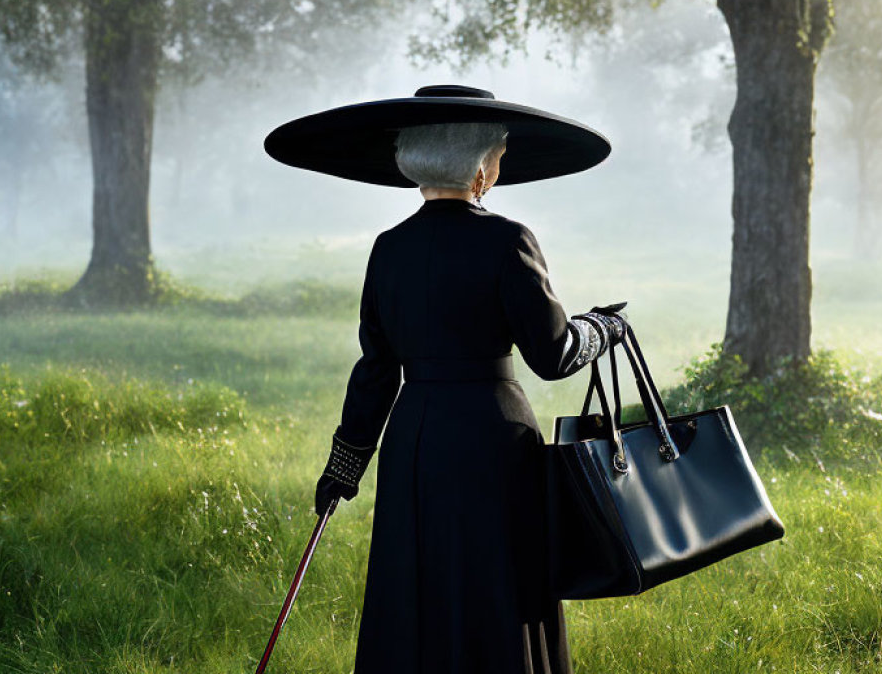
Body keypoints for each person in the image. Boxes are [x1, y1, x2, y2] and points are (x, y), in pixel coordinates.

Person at [266, 85, 625, 674]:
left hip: (415, 441)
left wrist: (344, 467)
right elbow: (554, 355)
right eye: (501, 155)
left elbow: (377, 370)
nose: (501, 167)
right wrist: (605, 327)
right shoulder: (509, 240)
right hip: (493, 438)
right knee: (497, 581)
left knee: (418, 579)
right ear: (482, 166)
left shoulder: (388, 249)